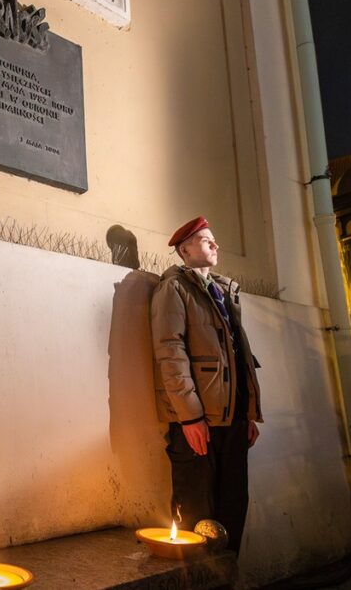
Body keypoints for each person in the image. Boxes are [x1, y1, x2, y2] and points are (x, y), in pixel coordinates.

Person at [149, 216, 262, 554]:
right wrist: (189, 418)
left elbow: (238, 357)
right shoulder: (174, 288)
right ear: (184, 250)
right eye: (205, 240)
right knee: (196, 514)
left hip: (233, 419)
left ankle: (226, 578)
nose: (215, 245)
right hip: (198, 421)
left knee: (233, 507)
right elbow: (170, 353)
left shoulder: (224, 291)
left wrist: (248, 412)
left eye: (214, 240)